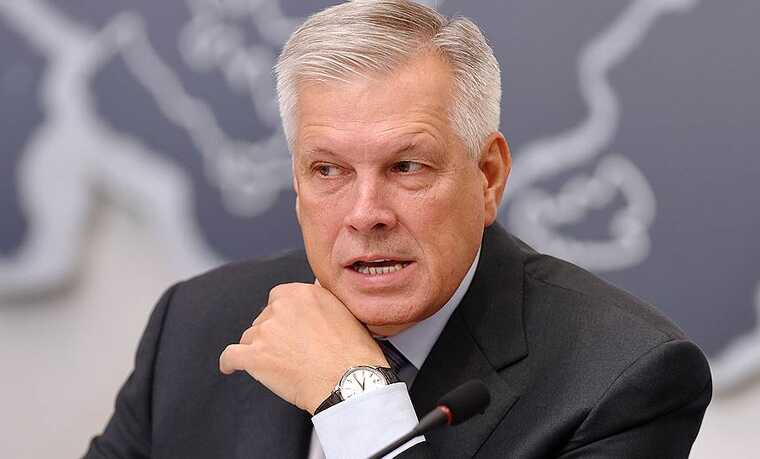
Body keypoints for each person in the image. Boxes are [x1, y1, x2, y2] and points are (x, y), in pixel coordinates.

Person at [84, 1, 711, 458]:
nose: (366, 213)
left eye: (407, 167)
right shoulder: (196, 324)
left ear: (488, 176)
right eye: (328, 170)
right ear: (297, 182)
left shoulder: (622, 378)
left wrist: (354, 402)